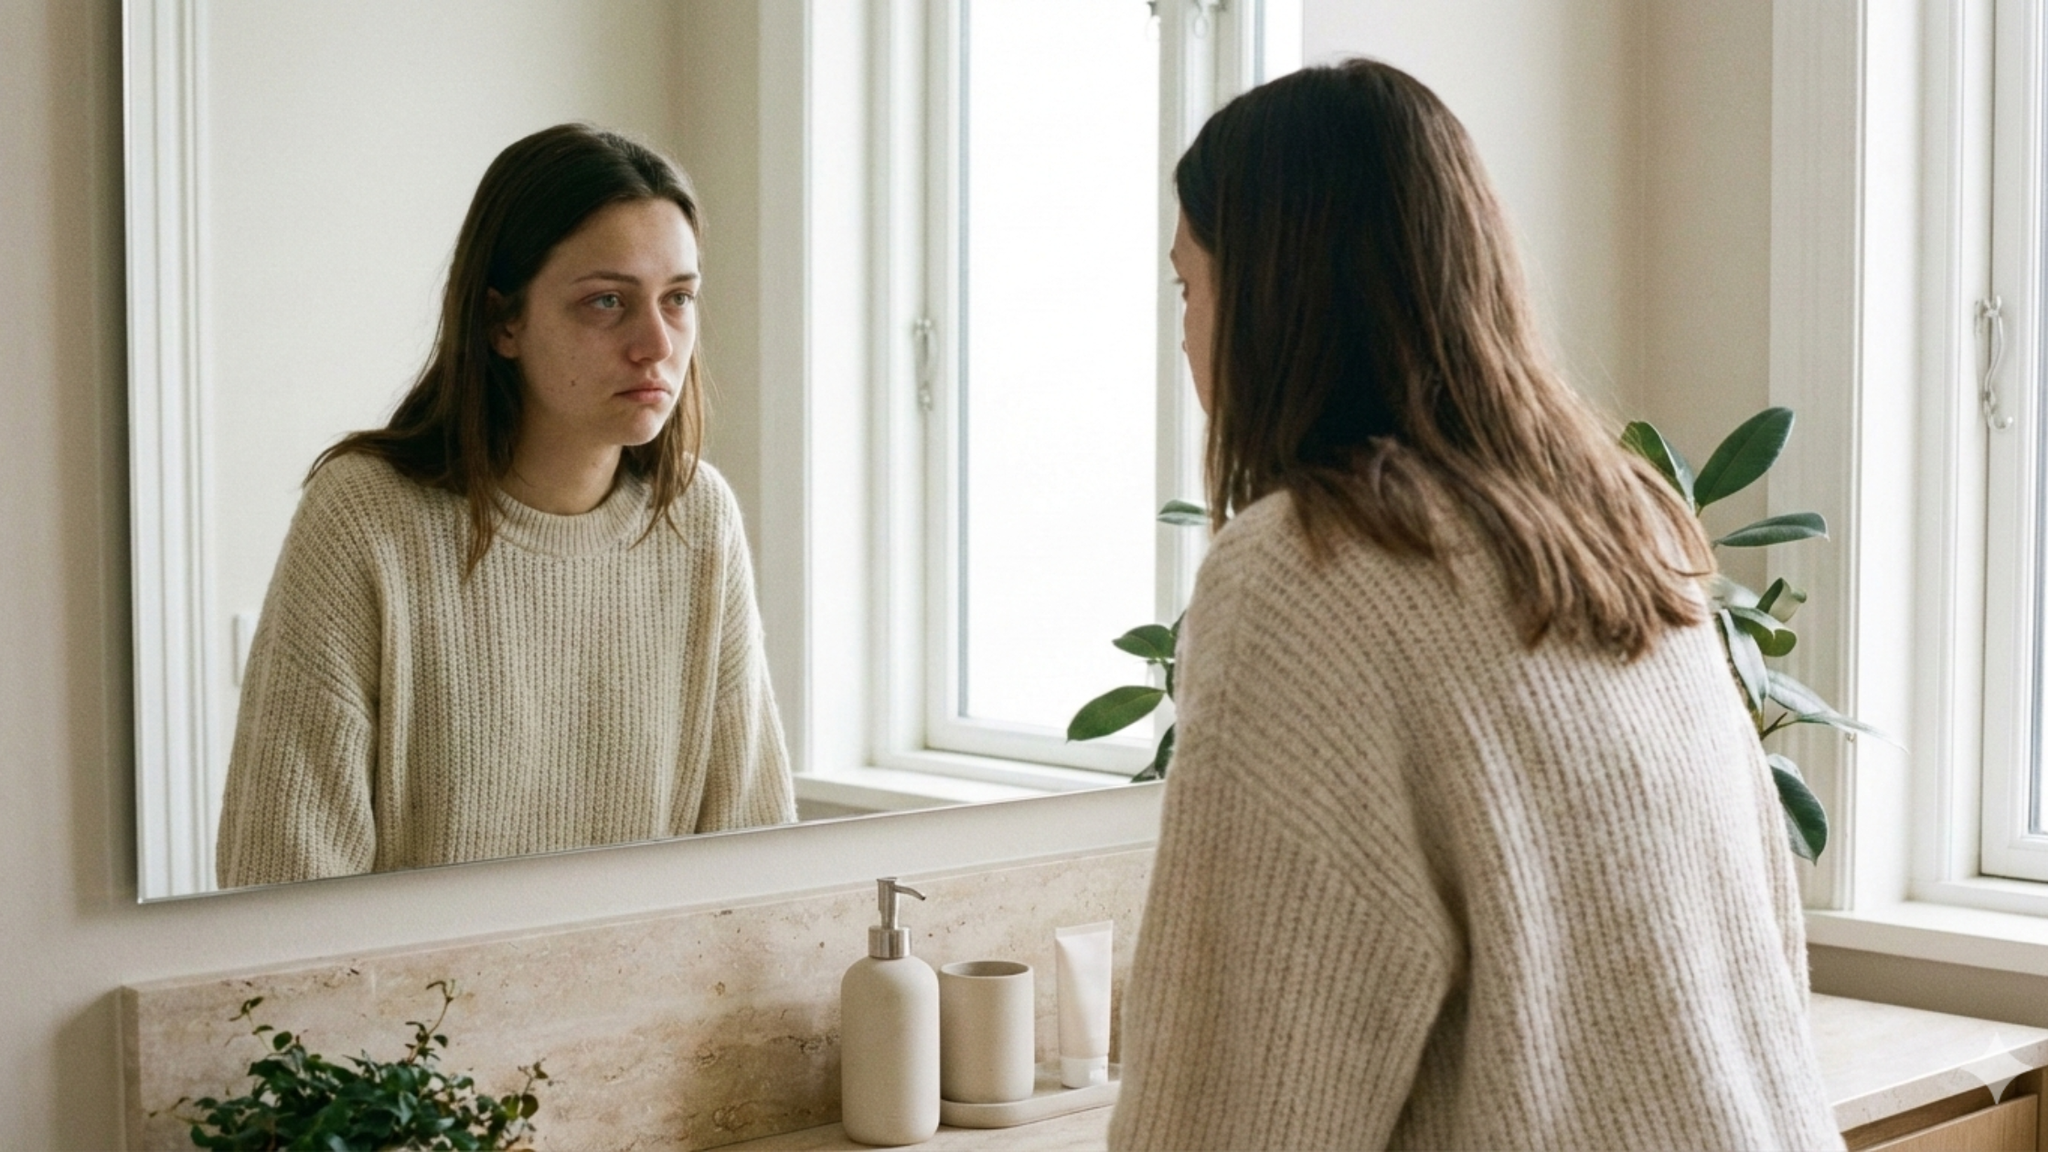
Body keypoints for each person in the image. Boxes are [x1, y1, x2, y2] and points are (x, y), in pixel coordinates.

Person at [1107, 61, 1842, 1151]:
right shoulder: (1621, 525)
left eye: (1186, 285)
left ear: (1269, 293)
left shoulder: (1301, 574)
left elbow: (1237, 1096)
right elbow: (1768, 951)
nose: (1181, 333)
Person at [216, 124, 796, 889]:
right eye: (606, 302)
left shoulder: (697, 517)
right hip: (418, 1010)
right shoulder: (365, 517)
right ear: (502, 322)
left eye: (679, 299)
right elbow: (280, 881)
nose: (656, 342)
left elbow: (755, 865)